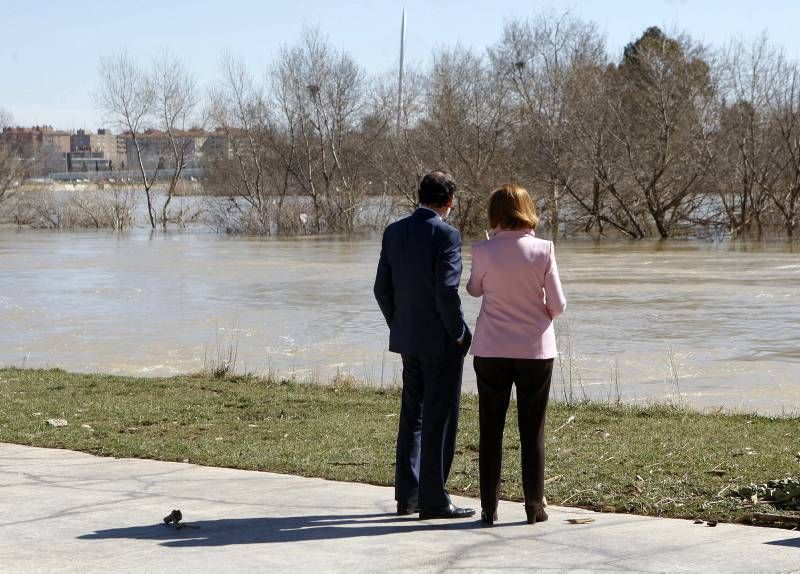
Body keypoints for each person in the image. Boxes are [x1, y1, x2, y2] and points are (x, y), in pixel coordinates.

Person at [373, 171, 475, 520]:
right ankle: (434, 499)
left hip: (408, 339)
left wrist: (398, 323)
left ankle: (409, 495)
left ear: (420, 196)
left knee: (413, 416)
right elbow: (446, 292)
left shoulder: (394, 231)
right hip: (441, 341)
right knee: (439, 419)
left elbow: (381, 289)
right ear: (449, 202)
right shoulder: (447, 234)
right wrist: (460, 333)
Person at [466, 184, 566, 526]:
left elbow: (474, 289)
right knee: (532, 430)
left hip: (491, 349)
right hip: (535, 350)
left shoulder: (483, 250)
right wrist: (540, 313)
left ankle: (489, 509)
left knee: (490, 429)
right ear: (528, 211)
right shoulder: (544, 249)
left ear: (495, 215)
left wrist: (491, 243)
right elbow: (558, 305)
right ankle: (534, 507)